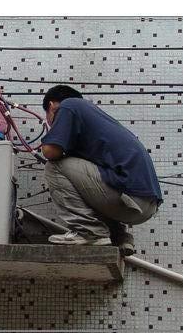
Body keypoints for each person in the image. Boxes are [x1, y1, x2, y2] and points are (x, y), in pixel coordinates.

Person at [40, 85, 162, 254]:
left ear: (52, 106)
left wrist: (49, 139)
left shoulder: (69, 105)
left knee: (54, 167)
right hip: (144, 204)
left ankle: (89, 232)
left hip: (130, 197)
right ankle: (119, 237)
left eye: (47, 116)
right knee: (83, 187)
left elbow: (50, 152)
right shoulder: (93, 121)